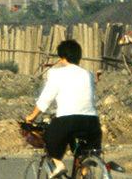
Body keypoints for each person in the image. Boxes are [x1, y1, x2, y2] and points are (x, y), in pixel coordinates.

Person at [25, 39, 101, 178]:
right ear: (79, 57)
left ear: (62, 57)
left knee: (49, 137)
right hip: (92, 122)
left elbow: (46, 99)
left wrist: (32, 116)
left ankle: (58, 164)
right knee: (84, 153)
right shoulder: (88, 74)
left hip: (68, 120)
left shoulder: (56, 74)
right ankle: (84, 174)